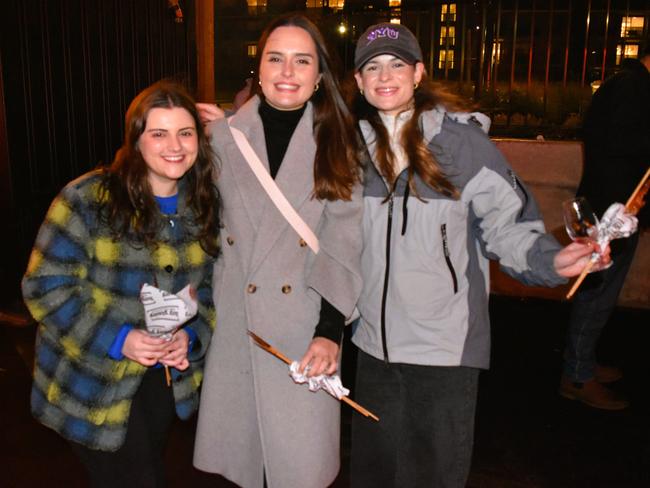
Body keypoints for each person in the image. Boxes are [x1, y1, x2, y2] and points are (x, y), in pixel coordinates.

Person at [347, 23, 610, 488]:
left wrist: (552, 261)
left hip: (444, 351)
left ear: (419, 73)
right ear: (359, 81)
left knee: (432, 477)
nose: (384, 75)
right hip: (373, 348)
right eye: (372, 66)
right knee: (374, 475)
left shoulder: (464, 146)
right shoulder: (350, 151)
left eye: (396, 64)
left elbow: (508, 227)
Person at [193, 14, 363, 488]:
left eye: (302, 60)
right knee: (242, 468)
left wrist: (330, 332)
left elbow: (344, 249)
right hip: (237, 328)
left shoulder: (341, 144)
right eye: (276, 58)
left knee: (298, 469)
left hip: (304, 332)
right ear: (260, 70)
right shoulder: (220, 138)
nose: (287, 71)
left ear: (318, 76)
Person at [21, 80, 220, 487]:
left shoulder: (205, 205)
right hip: (91, 380)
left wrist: (192, 338)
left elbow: (215, 292)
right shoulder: (88, 199)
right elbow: (44, 286)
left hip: (163, 382)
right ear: (136, 140)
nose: (175, 146)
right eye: (158, 133)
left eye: (185, 133)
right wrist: (119, 338)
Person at [559, 42, 650, 410]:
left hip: (620, 210)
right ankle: (577, 376)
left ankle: (583, 362)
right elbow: (617, 143)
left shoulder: (631, 85)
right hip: (611, 214)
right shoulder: (630, 87)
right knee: (595, 293)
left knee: (600, 294)